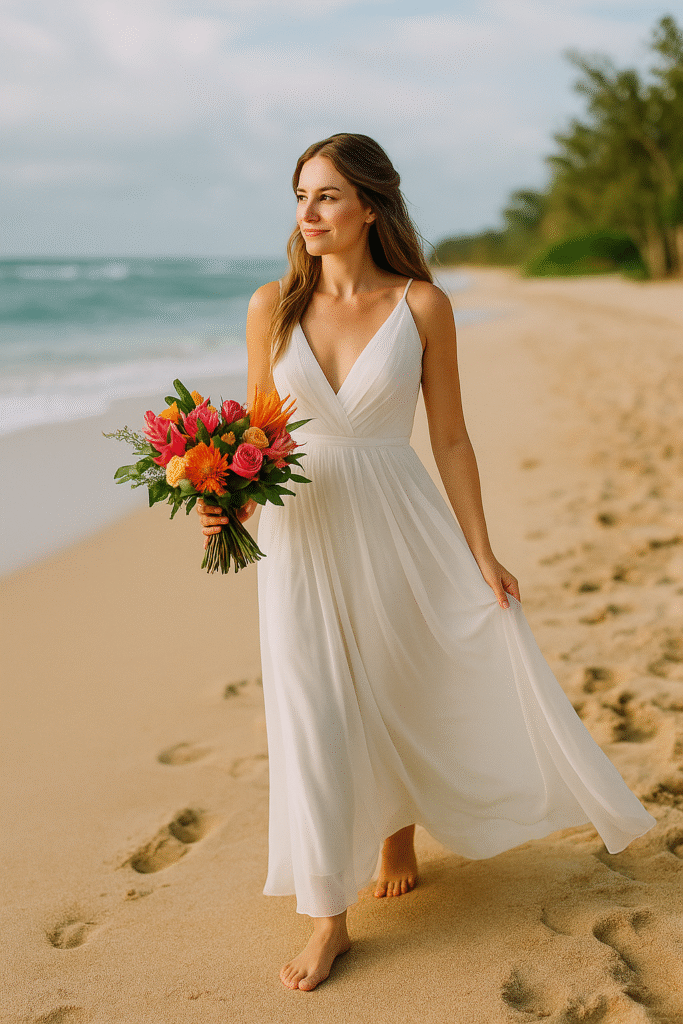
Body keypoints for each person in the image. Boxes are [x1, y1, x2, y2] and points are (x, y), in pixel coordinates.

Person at [197, 133, 655, 991]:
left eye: (327, 195)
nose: (308, 213)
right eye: (300, 196)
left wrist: (482, 549)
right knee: (312, 703)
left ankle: (397, 826)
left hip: (395, 515)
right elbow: (257, 439)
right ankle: (327, 917)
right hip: (300, 528)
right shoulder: (272, 306)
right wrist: (227, 501)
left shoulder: (421, 306)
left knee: (400, 677)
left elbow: (447, 435)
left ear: (370, 205)